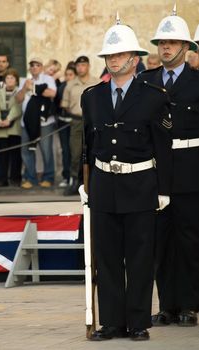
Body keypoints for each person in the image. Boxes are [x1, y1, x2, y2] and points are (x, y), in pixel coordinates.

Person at [79, 17, 172, 341]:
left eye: (119, 55)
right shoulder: (92, 97)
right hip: (105, 186)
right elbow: (87, 146)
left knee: (139, 258)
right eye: (109, 55)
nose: (113, 60)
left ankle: (137, 322)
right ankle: (113, 322)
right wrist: (84, 184)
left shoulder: (154, 96)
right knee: (106, 259)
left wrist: (165, 189)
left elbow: (163, 147)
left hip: (141, 185)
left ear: (135, 59)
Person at [139, 8, 199, 326]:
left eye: (173, 42)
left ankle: (190, 304)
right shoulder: (145, 83)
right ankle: (167, 305)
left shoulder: (196, 82)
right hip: (156, 174)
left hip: (191, 172)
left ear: (186, 47)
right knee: (160, 242)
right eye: (162, 42)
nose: (165, 47)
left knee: (189, 240)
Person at [16, 57, 57, 189]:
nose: (34, 67)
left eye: (37, 65)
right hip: (26, 122)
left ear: (42, 67)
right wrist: (24, 88)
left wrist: (33, 88)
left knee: (46, 151)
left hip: (44, 123)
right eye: (32, 65)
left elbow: (52, 93)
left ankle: (49, 177)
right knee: (26, 151)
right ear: (29, 68)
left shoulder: (47, 79)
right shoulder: (24, 80)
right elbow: (18, 99)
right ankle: (30, 178)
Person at [61, 56, 99, 195]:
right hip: (76, 121)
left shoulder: (97, 82)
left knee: (94, 151)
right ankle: (74, 182)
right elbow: (64, 105)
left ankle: (93, 183)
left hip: (94, 122)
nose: (81, 68)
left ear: (88, 66)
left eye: (83, 65)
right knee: (76, 153)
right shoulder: (70, 85)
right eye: (78, 65)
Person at [0, 68, 22, 186]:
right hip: (0, 128)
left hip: (14, 128)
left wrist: (9, 119)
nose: (9, 80)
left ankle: (15, 178)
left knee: (15, 154)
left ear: (16, 80)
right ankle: (2, 179)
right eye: (7, 77)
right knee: (2, 155)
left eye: (12, 77)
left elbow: (18, 106)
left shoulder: (20, 92)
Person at [57, 63, 77, 187]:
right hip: (63, 121)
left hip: (75, 122)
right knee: (65, 150)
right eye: (67, 74)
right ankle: (66, 176)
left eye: (71, 75)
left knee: (75, 150)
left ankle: (75, 177)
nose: (68, 77)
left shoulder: (76, 87)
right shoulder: (62, 87)